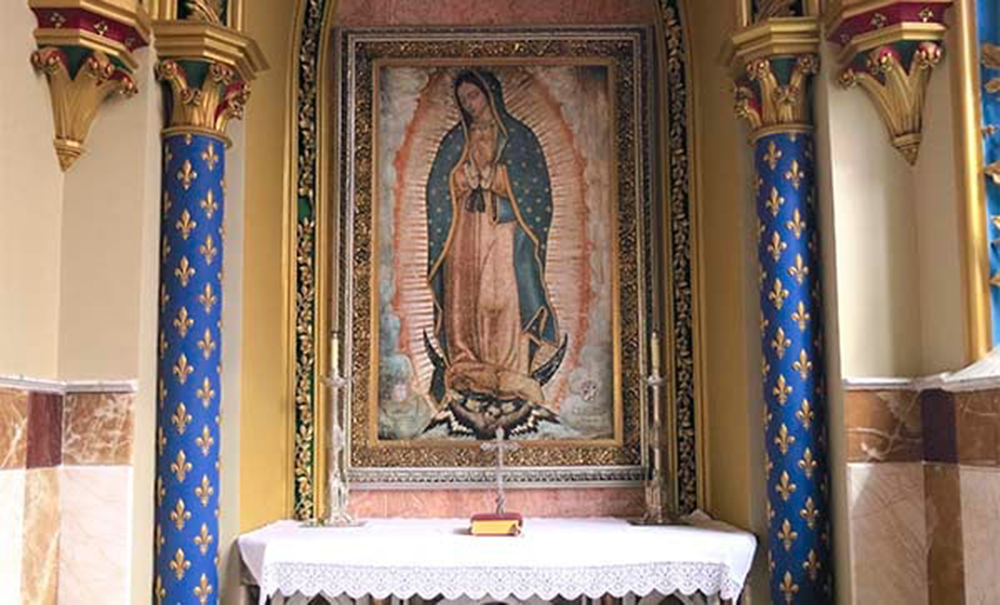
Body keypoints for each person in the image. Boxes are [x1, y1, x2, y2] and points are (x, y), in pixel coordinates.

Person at [425, 69, 560, 413]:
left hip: (502, 230)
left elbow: (536, 187)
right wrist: (460, 179)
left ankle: (510, 370)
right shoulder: (456, 141)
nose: (470, 105)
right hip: (464, 231)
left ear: (490, 94)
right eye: (463, 100)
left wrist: (499, 178)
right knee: (464, 299)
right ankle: (467, 363)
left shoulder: (518, 137)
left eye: (474, 96)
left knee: (499, 297)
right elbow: (437, 189)